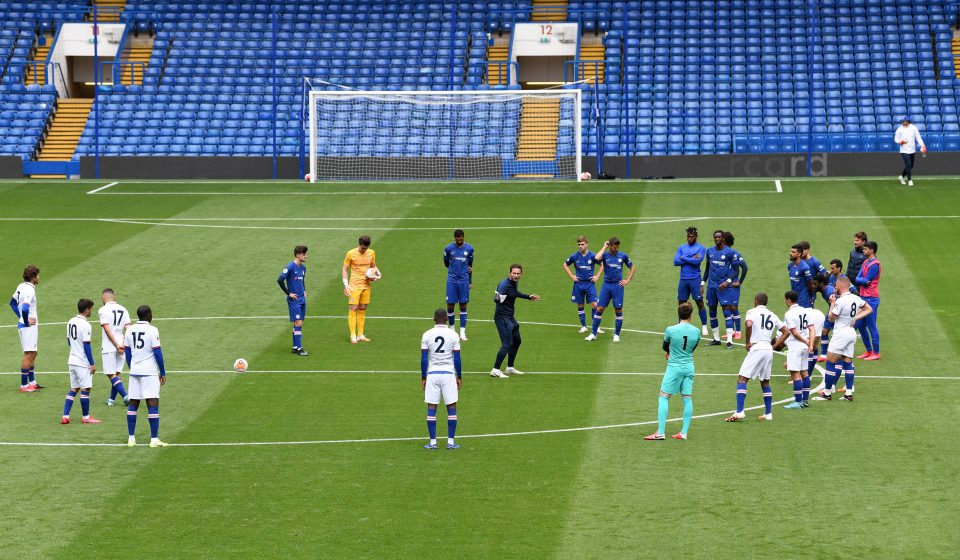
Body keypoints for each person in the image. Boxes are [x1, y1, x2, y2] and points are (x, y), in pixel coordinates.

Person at [725, 293, 788, 422]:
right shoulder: (772, 314)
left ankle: (740, 411)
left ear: (756, 301)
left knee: (742, 379)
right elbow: (786, 331)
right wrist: (775, 345)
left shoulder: (751, 312)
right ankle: (768, 413)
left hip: (757, 348)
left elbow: (748, 325)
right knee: (765, 381)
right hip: (768, 350)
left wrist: (747, 342)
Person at [644, 302, 701, 441]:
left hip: (674, 367)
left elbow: (665, 347)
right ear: (691, 315)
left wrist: (671, 353)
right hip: (689, 367)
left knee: (663, 396)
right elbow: (692, 348)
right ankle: (684, 432)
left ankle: (661, 432)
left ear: (679, 314)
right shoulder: (696, 331)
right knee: (687, 398)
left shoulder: (670, 330)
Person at [814, 276, 872, 402]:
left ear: (841, 286)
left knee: (830, 361)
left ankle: (827, 393)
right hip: (851, 333)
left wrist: (832, 304)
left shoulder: (840, 301)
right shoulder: (856, 298)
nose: (834, 287)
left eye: (835, 285)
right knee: (847, 362)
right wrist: (855, 318)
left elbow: (831, 318)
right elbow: (869, 309)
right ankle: (848, 393)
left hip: (841, 334)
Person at [123, 305, 168, 447]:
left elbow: (128, 352)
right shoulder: (152, 330)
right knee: (152, 404)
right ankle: (154, 440)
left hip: (135, 372)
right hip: (149, 372)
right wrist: (162, 372)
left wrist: (132, 367)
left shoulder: (129, 329)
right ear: (148, 314)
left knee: (133, 404)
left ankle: (131, 438)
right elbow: (157, 353)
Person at [421, 308, 462, 449]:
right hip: (449, 374)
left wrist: (423, 377)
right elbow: (457, 358)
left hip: (432, 374)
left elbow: (424, 359)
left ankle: (433, 442)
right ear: (447, 319)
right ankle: (450, 442)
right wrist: (459, 376)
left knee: (432, 407)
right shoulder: (453, 335)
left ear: (434, 319)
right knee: (451, 406)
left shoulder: (427, 335)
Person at [490, 264, 540, 378]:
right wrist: (500, 297)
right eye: (514, 273)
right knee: (507, 344)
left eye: (518, 273)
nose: (516, 275)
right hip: (502, 317)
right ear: (509, 273)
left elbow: (514, 293)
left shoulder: (513, 283)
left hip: (509, 316)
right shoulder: (504, 285)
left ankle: (509, 368)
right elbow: (496, 299)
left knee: (517, 340)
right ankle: (495, 370)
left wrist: (528, 296)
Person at [61, 299, 102, 425]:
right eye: (91, 308)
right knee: (86, 388)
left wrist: (74, 349)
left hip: (72, 360)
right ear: (87, 309)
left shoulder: (71, 321)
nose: (92, 311)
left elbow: (68, 341)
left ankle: (65, 416)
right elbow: (87, 346)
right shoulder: (86, 325)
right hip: (81, 362)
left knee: (74, 388)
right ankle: (86, 417)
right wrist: (92, 363)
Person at [586, 237, 635, 342]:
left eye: (617, 247)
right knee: (599, 309)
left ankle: (616, 335)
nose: (616, 249)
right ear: (610, 246)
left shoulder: (623, 256)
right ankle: (593, 334)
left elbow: (632, 268)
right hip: (606, 286)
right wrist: (604, 246)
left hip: (618, 286)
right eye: (614, 247)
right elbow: (597, 258)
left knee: (618, 310)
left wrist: (627, 280)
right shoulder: (605, 255)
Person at [9, 265, 43, 392]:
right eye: (38, 275)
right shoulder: (29, 290)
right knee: (29, 354)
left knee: (33, 352)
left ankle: (32, 382)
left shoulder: (21, 286)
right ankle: (24, 386)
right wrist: (26, 320)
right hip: (28, 327)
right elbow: (24, 308)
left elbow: (12, 303)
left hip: (25, 325)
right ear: (33, 277)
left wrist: (21, 318)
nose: (39, 277)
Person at [781, 291, 816, 410]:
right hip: (805, 347)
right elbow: (812, 329)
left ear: (788, 300)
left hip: (795, 347)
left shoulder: (789, 314)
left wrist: (806, 342)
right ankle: (805, 401)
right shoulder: (805, 311)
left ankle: (797, 402)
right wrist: (810, 344)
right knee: (805, 373)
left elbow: (794, 332)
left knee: (795, 374)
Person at [702, 230, 736, 348]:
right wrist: (702, 283)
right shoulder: (709, 251)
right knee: (712, 312)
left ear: (723, 238)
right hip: (711, 287)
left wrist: (728, 282)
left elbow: (737, 270)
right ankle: (716, 339)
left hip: (723, 288)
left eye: (719, 237)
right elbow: (707, 269)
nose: (717, 239)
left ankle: (730, 340)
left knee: (727, 312)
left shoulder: (729, 252)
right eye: (715, 237)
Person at [563, 235, 603, 335]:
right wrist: (572, 276)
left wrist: (597, 276)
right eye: (579, 244)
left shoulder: (593, 256)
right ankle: (584, 326)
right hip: (578, 284)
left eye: (582, 244)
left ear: (587, 244)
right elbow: (565, 265)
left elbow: (603, 265)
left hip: (590, 284)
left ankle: (596, 327)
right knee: (580, 305)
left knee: (594, 304)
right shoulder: (575, 256)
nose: (580, 246)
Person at [342, 236, 378, 344]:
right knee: (353, 308)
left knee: (362, 308)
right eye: (362, 248)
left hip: (366, 285)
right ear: (359, 244)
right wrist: (346, 284)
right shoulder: (351, 253)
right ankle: (353, 335)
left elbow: (373, 266)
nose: (364, 250)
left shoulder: (371, 253)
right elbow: (344, 268)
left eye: (366, 248)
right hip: (354, 286)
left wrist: (376, 275)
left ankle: (360, 335)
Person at [673, 227, 708, 335]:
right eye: (688, 236)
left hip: (695, 279)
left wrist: (683, 258)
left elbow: (696, 263)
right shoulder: (681, 247)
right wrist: (690, 257)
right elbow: (675, 262)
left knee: (699, 302)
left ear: (696, 236)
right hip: (683, 280)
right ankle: (680, 325)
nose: (689, 238)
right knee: (681, 303)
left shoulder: (701, 248)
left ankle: (704, 327)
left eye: (691, 236)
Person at [98, 288, 130, 406]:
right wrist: (124, 344)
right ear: (114, 296)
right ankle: (111, 400)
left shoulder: (103, 310)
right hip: (122, 344)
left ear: (103, 297)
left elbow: (107, 329)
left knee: (111, 374)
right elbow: (128, 328)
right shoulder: (123, 309)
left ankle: (126, 396)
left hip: (109, 346)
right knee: (116, 373)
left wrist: (116, 345)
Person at [443, 229, 474, 341]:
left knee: (463, 305)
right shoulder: (448, 249)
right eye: (457, 239)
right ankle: (452, 332)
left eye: (461, 239)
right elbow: (446, 263)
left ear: (464, 237)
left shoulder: (470, 249)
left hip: (464, 281)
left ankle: (462, 333)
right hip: (452, 280)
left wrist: (470, 281)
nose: (459, 241)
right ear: (454, 238)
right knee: (450, 305)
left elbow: (470, 266)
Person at [278, 245, 309, 356]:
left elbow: (302, 281)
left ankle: (295, 347)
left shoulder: (303, 268)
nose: (306, 256)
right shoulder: (290, 266)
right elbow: (280, 280)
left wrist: (304, 290)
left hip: (302, 300)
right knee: (298, 322)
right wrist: (289, 293)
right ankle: (300, 349)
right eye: (304, 254)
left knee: (299, 324)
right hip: (294, 300)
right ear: (297, 255)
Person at [855, 241, 882, 361]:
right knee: (860, 325)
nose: (863, 251)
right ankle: (869, 350)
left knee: (871, 325)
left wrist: (862, 280)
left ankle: (876, 353)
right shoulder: (866, 262)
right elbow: (858, 279)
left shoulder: (875, 265)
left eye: (865, 249)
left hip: (871, 298)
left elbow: (866, 280)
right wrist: (862, 280)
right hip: (863, 297)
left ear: (871, 250)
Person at [724, 231, 748, 340]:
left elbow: (745, 268)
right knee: (727, 307)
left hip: (733, 285)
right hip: (724, 285)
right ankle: (731, 330)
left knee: (734, 307)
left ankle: (738, 331)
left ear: (725, 241)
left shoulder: (735, 254)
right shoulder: (721, 253)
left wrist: (740, 282)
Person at [895, 117, 926, 186]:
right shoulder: (899, 129)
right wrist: (900, 141)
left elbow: (918, 137)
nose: (902, 122)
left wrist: (922, 145)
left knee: (911, 165)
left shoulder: (914, 128)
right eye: (902, 121)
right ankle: (910, 180)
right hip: (904, 150)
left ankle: (901, 177)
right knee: (908, 164)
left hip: (912, 150)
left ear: (908, 122)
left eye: (904, 121)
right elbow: (896, 138)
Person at [798, 240, 826, 305]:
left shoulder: (815, 262)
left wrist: (817, 287)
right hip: (799, 291)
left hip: (809, 293)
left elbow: (825, 275)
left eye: (801, 251)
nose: (800, 253)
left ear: (807, 250)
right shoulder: (800, 261)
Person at [787, 243, 815, 308]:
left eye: (793, 252)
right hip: (794, 300)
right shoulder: (790, 266)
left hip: (804, 300)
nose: (791, 253)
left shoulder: (805, 267)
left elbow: (810, 284)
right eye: (791, 251)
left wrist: (811, 298)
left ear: (799, 254)